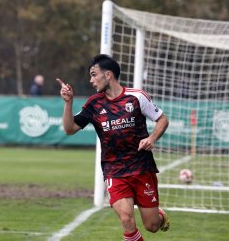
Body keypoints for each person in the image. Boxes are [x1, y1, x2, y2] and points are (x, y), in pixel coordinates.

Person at [56, 54, 170, 240]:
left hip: (142, 167)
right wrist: (68, 103)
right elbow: (69, 129)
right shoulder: (94, 104)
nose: (91, 80)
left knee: (152, 226)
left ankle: (159, 215)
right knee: (126, 219)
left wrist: (152, 138)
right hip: (114, 169)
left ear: (108, 75)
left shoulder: (136, 97)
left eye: (94, 75)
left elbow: (162, 120)